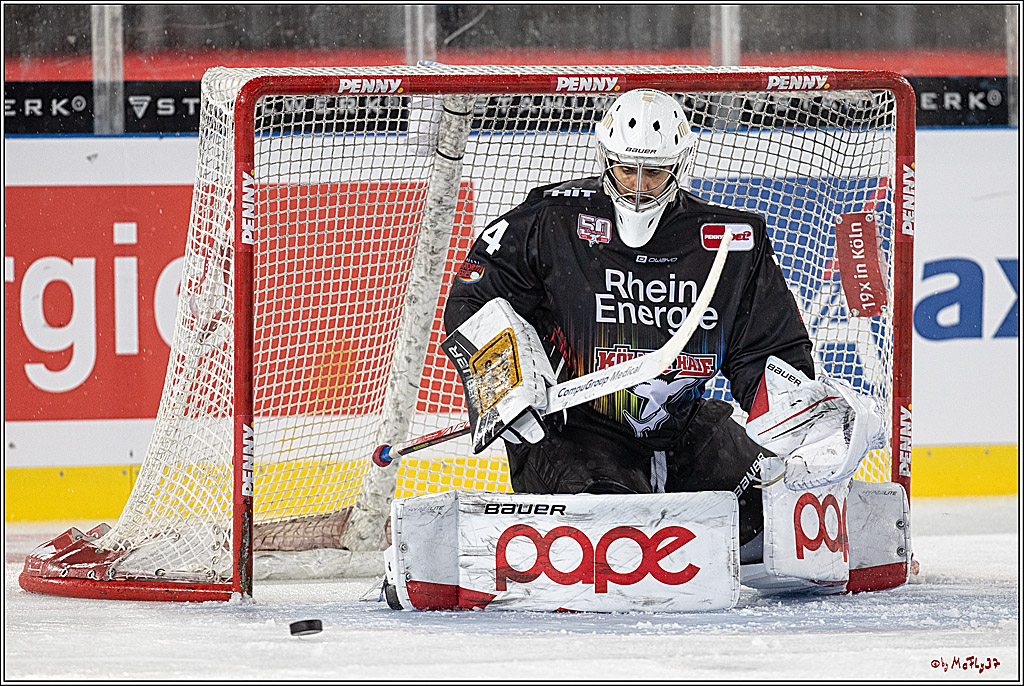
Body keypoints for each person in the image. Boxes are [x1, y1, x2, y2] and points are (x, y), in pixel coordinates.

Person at [442, 88, 814, 562]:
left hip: (683, 434)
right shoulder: (550, 220)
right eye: (626, 169)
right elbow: (475, 300)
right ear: (605, 158)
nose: (638, 186)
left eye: (654, 172)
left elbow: (767, 348)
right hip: (573, 433)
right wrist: (505, 385)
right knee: (611, 535)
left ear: (679, 167)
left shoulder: (730, 239)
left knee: (782, 504)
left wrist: (794, 413)